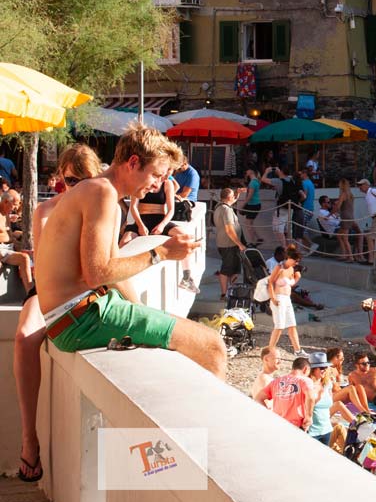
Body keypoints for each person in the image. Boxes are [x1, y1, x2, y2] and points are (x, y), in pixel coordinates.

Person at [35, 126, 223, 371]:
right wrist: (161, 253)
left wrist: (146, 313)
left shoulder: (99, 192)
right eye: (156, 175)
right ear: (133, 162)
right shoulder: (100, 192)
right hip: (79, 319)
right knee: (213, 347)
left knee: (187, 342)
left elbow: (111, 272)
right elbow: (97, 273)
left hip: (75, 316)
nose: (157, 186)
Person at [13, 144, 102, 483]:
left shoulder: (102, 207)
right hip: (51, 287)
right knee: (22, 337)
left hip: (85, 287)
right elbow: (41, 267)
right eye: (68, 180)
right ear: (60, 179)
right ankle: (28, 437)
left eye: (83, 180)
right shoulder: (46, 211)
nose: (74, 187)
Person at [122, 155, 177, 246]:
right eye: (165, 175)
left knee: (185, 237)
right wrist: (140, 225)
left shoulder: (168, 184)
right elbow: (133, 207)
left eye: (169, 176)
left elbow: (171, 210)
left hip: (160, 220)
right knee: (123, 243)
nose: (166, 178)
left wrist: (162, 225)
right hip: (142, 220)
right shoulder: (143, 180)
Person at [306, 352, 354, 445]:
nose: (325, 370)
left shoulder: (327, 384)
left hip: (326, 430)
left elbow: (329, 405)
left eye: (326, 367)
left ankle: (358, 425)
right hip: (312, 432)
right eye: (321, 368)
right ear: (313, 369)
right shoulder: (307, 386)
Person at [254, 355, 314, 429]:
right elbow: (310, 397)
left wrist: (268, 414)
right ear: (305, 369)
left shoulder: (276, 381)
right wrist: (309, 416)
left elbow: (258, 398)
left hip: (277, 424)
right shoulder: (305, 380)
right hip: (296, 426)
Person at [266, 244, 304, 356]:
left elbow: (290, 284)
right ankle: (269, 350)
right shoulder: (279, 267)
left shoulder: (291, 269)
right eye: (295, 260)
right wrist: (272, 297)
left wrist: (297, 277)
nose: (296, 263)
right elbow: (271, 282)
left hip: (287, 298)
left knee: (292, 325)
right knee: (279, 327)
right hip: (278, 297)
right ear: (289, 258)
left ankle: (298, 350)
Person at [171, 158, 202, 293]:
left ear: (185, 163)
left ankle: (187, 277)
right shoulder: (178, 172)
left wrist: (170, 194)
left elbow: (185, 194)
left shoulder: (192, 174)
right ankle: (187, 277)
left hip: (187, 203)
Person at [213, 186, 248, 301]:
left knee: (234, 269)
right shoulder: (226, 210)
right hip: (229, 245)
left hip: (226, 244)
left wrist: (237, 193)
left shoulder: (220, 206)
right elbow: (229, 230)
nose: (234, 198)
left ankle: (231, 291)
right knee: (226, 270)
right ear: (228, 198)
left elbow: (232, 200)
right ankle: (224, 294)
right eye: (233, 196)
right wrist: (240, 244)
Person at [0, 195, 33, 292]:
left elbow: (10, 235)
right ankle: (30, 292)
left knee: (30, 255)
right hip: (1, 249)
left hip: (9, 247)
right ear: (5, 202)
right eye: (14, 205)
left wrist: (19, 245)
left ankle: (30, 293)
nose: (15, 208)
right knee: (24, 257)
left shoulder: (6, 215)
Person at [336, 178, 363, 263]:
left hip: (345, 217)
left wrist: (331, 214)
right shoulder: (350, 194)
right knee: (339, 235)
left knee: (344, 238)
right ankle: (345, 255)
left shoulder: (343, 194)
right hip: (350, 217)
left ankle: (350, 257)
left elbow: (338, 206)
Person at [296, 168, 317, 253]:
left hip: (305, 208)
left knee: (301, 229)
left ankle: (311, 244)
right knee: (303, 229)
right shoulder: (311, 183)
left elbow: (304, 195)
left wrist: (298, 201)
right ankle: (308, 249)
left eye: (301, 174)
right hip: (310, 208)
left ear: (305, 174)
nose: (300, 176)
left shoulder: (304, 183)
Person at [241, 168, 263, 246]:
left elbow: (250, 196)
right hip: (255, 204)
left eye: (247, 170)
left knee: (248, 223)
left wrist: (242, 205)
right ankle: (257, 238)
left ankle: (252, 241)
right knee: (249, 223)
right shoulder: (256, 181)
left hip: (253, 204)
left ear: (250, 171)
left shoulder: (253, 182)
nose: (246, 172)